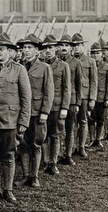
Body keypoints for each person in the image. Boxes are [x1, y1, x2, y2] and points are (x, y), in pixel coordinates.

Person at [0, 32, 31, 202]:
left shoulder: (19, 70)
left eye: (1, 49)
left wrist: (23, 122)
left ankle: (8, 189)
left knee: (9, 155)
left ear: (9, 51)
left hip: (10, 121)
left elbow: (26, 98)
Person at [16, 34, 54, 188]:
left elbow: (48, 91)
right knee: (23, 144)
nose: (26, 50)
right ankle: (25, 175)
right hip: (21, 112)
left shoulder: (45, 68)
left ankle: (34, 176)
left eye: (29, 48)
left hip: (37, 112)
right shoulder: (19, 67)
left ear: (37, 51)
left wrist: (45, 111)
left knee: (36, 144)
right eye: (24, 47)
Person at [40, 34, 71, 175]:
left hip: (57, 106)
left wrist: (65, 107)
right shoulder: (39, 65)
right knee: (43, 136)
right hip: (42, 106)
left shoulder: (63, 66)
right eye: (45, 48)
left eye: (50, 47)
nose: (48, 50)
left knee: (55, 135)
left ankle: (53, 163)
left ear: (56, 48)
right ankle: (45, 162)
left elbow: (67, 88)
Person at [57, 34, 83, 166]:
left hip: (71, 100)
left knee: (70, 128)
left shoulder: (76, 63)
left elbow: (79, 84)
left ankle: (68, 155)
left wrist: (78, 102)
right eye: (61, 45)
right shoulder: (56, 62)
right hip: (57, 100)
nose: (64, 48)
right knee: (57, 129)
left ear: (71, 48)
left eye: (66, 45)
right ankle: (58, 155)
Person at [72, 33, 97, 158]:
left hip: (84, 96)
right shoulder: (70, 61)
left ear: (83, 46)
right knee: (72, 122)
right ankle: (73, 146)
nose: (76, 48)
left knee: (82, 121)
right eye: (74, 45)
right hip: (72, 96)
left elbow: (93, 81)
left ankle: (81, 147)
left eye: (79, 45)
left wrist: (92, 98)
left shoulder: (90, 61)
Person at [88, 42, 108, 150]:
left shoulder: (107, 67)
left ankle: (98, 139)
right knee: (90, 119)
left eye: (97, 53)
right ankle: (92, 139)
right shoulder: (89, 66)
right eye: (93, 53)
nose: (95, 55)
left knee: (101, 119)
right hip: (91, 97)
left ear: (102, 54)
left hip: (102, 98)